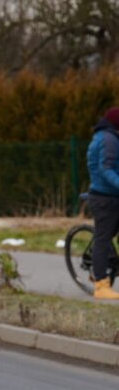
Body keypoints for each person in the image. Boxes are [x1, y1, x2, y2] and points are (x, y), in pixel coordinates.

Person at [86, 108, 119, 300]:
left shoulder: (109, 137)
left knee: (105, 238)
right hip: (105, 197)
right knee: (103, 239)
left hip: (112, 194)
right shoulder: (108, 139)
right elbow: (106, 169)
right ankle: (100, 284)